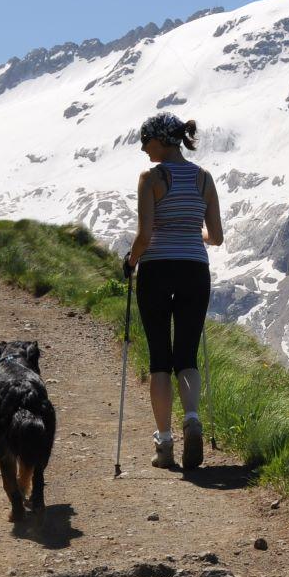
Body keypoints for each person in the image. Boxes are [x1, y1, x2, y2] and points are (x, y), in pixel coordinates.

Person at [123, 111, 223, 471]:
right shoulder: (203, 179)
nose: (142, 147)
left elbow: (145, 235)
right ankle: (192, 418)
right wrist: (190, 235)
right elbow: (217, 237)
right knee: (187, 354)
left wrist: (131, 261)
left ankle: (164, 443)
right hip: (195, 270)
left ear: (161, 141)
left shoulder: (151, 178)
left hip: (158, 270)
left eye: (146, 141)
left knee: (159, 359)